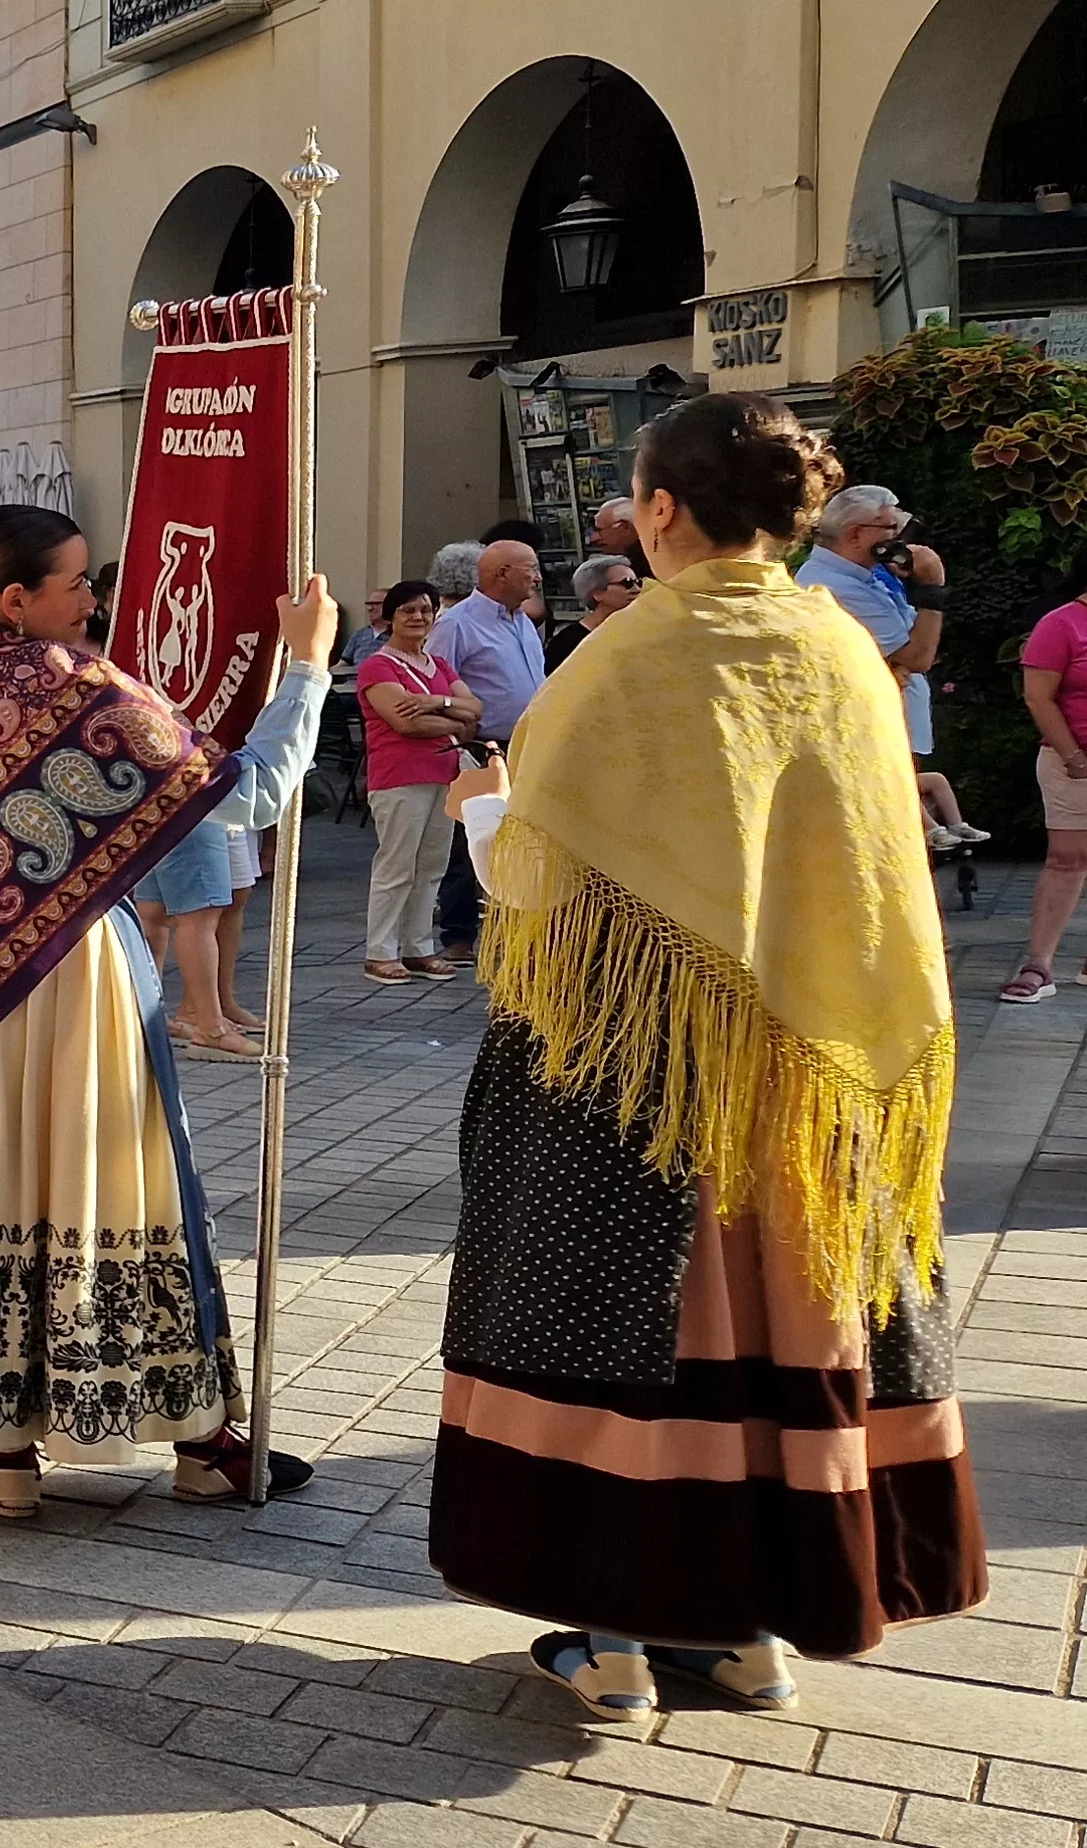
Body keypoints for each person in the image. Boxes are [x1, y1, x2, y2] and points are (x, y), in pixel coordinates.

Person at [433, 392, 980, 1719]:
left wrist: (480, 817)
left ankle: (613, 1633)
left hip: (634, 1078)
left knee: (627, 1322)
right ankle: (748, 1627)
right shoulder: (841, 651)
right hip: (809, 1072)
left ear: (663, 510)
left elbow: (541, 873)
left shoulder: (626, 657)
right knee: (788, 1325)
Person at [0, 503, 326, 1518]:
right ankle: (203, 1443)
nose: (92, 601)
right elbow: (245, 795)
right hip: (70, 985)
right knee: (118, 1192)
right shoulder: (78, 692)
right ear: (14, 598)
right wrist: (302, 669)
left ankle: (0, 1454)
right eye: (76, 584)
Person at [802, 486, 987, 850]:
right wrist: (933, 587)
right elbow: (917, 656)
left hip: (894, 721)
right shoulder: (834, 585)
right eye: (890, 528)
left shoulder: (864, 576)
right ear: (857, 534)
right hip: (872, 729)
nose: (900, 537)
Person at [428, 539, 550, 960]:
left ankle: (515, 930)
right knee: (470, 839)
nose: (538, 577)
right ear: (502, 574)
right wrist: (463, 731)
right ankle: (459, 936)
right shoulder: (457, 624)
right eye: (530, 568)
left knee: (523, 839)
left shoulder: (523, 622)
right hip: (482, 748)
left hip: (528, 746)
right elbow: (434, 683)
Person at [354, 582, 474, 984]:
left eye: (425, 609)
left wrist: (434, 704)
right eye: (407, 610)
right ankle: (380, 951)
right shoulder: (378, 666)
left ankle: (419, 947)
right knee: (397, 864)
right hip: (399, 777)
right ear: (391, 617)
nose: (418, 617)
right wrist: (454, 720)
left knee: (432, 865)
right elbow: (404, 721)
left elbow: (475, 710)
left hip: (444, 775)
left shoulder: (439, 665)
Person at [1004, 559, 1087, 1005]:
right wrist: (1074, 757)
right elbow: (1038, 696)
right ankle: (1039, 965)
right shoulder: (1061, 625)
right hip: (1071, 760)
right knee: (1067, 859)